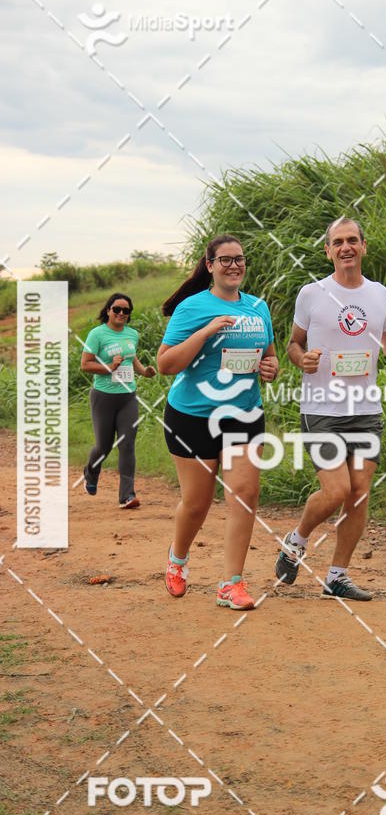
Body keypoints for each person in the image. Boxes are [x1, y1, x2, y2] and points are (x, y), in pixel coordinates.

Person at [275, 217, 386, 600]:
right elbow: (293, 344)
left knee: (359, 494)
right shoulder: (311, 294)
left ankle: (337, 576)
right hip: (321, 407)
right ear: (328, 251)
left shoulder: (379, 294)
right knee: (336, 490)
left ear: (364, 246)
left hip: (365, 409)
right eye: (338, 242)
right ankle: (296, 539)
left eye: (352, 240)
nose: (346, 247)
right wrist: (301, 359)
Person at [158, 234, 278, 609]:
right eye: (224, 260)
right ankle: (178, 559)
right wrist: (210, 329)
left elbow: (269, 359)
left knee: (245, 494)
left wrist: (270, 369)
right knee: (198, 502)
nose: (234, 265)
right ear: (209, 266)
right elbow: (165, 364)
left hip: (243, 412)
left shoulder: (259, 308)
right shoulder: (192, 308)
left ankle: (231, 584)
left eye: (239, 259)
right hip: (192, 415)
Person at [81, 292, 156, 508]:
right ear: (108, 310)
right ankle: (91, 472)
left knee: (127, 444)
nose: (121, 313)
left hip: (128, 398)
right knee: (103, 447)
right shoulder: (97, 334)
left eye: (126, 310)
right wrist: (108, 368)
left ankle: (127, 496)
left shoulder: (132, 334)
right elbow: (85, 365)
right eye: (117, 309)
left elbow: (132, 359)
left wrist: (144, 372)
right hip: (103, 397)